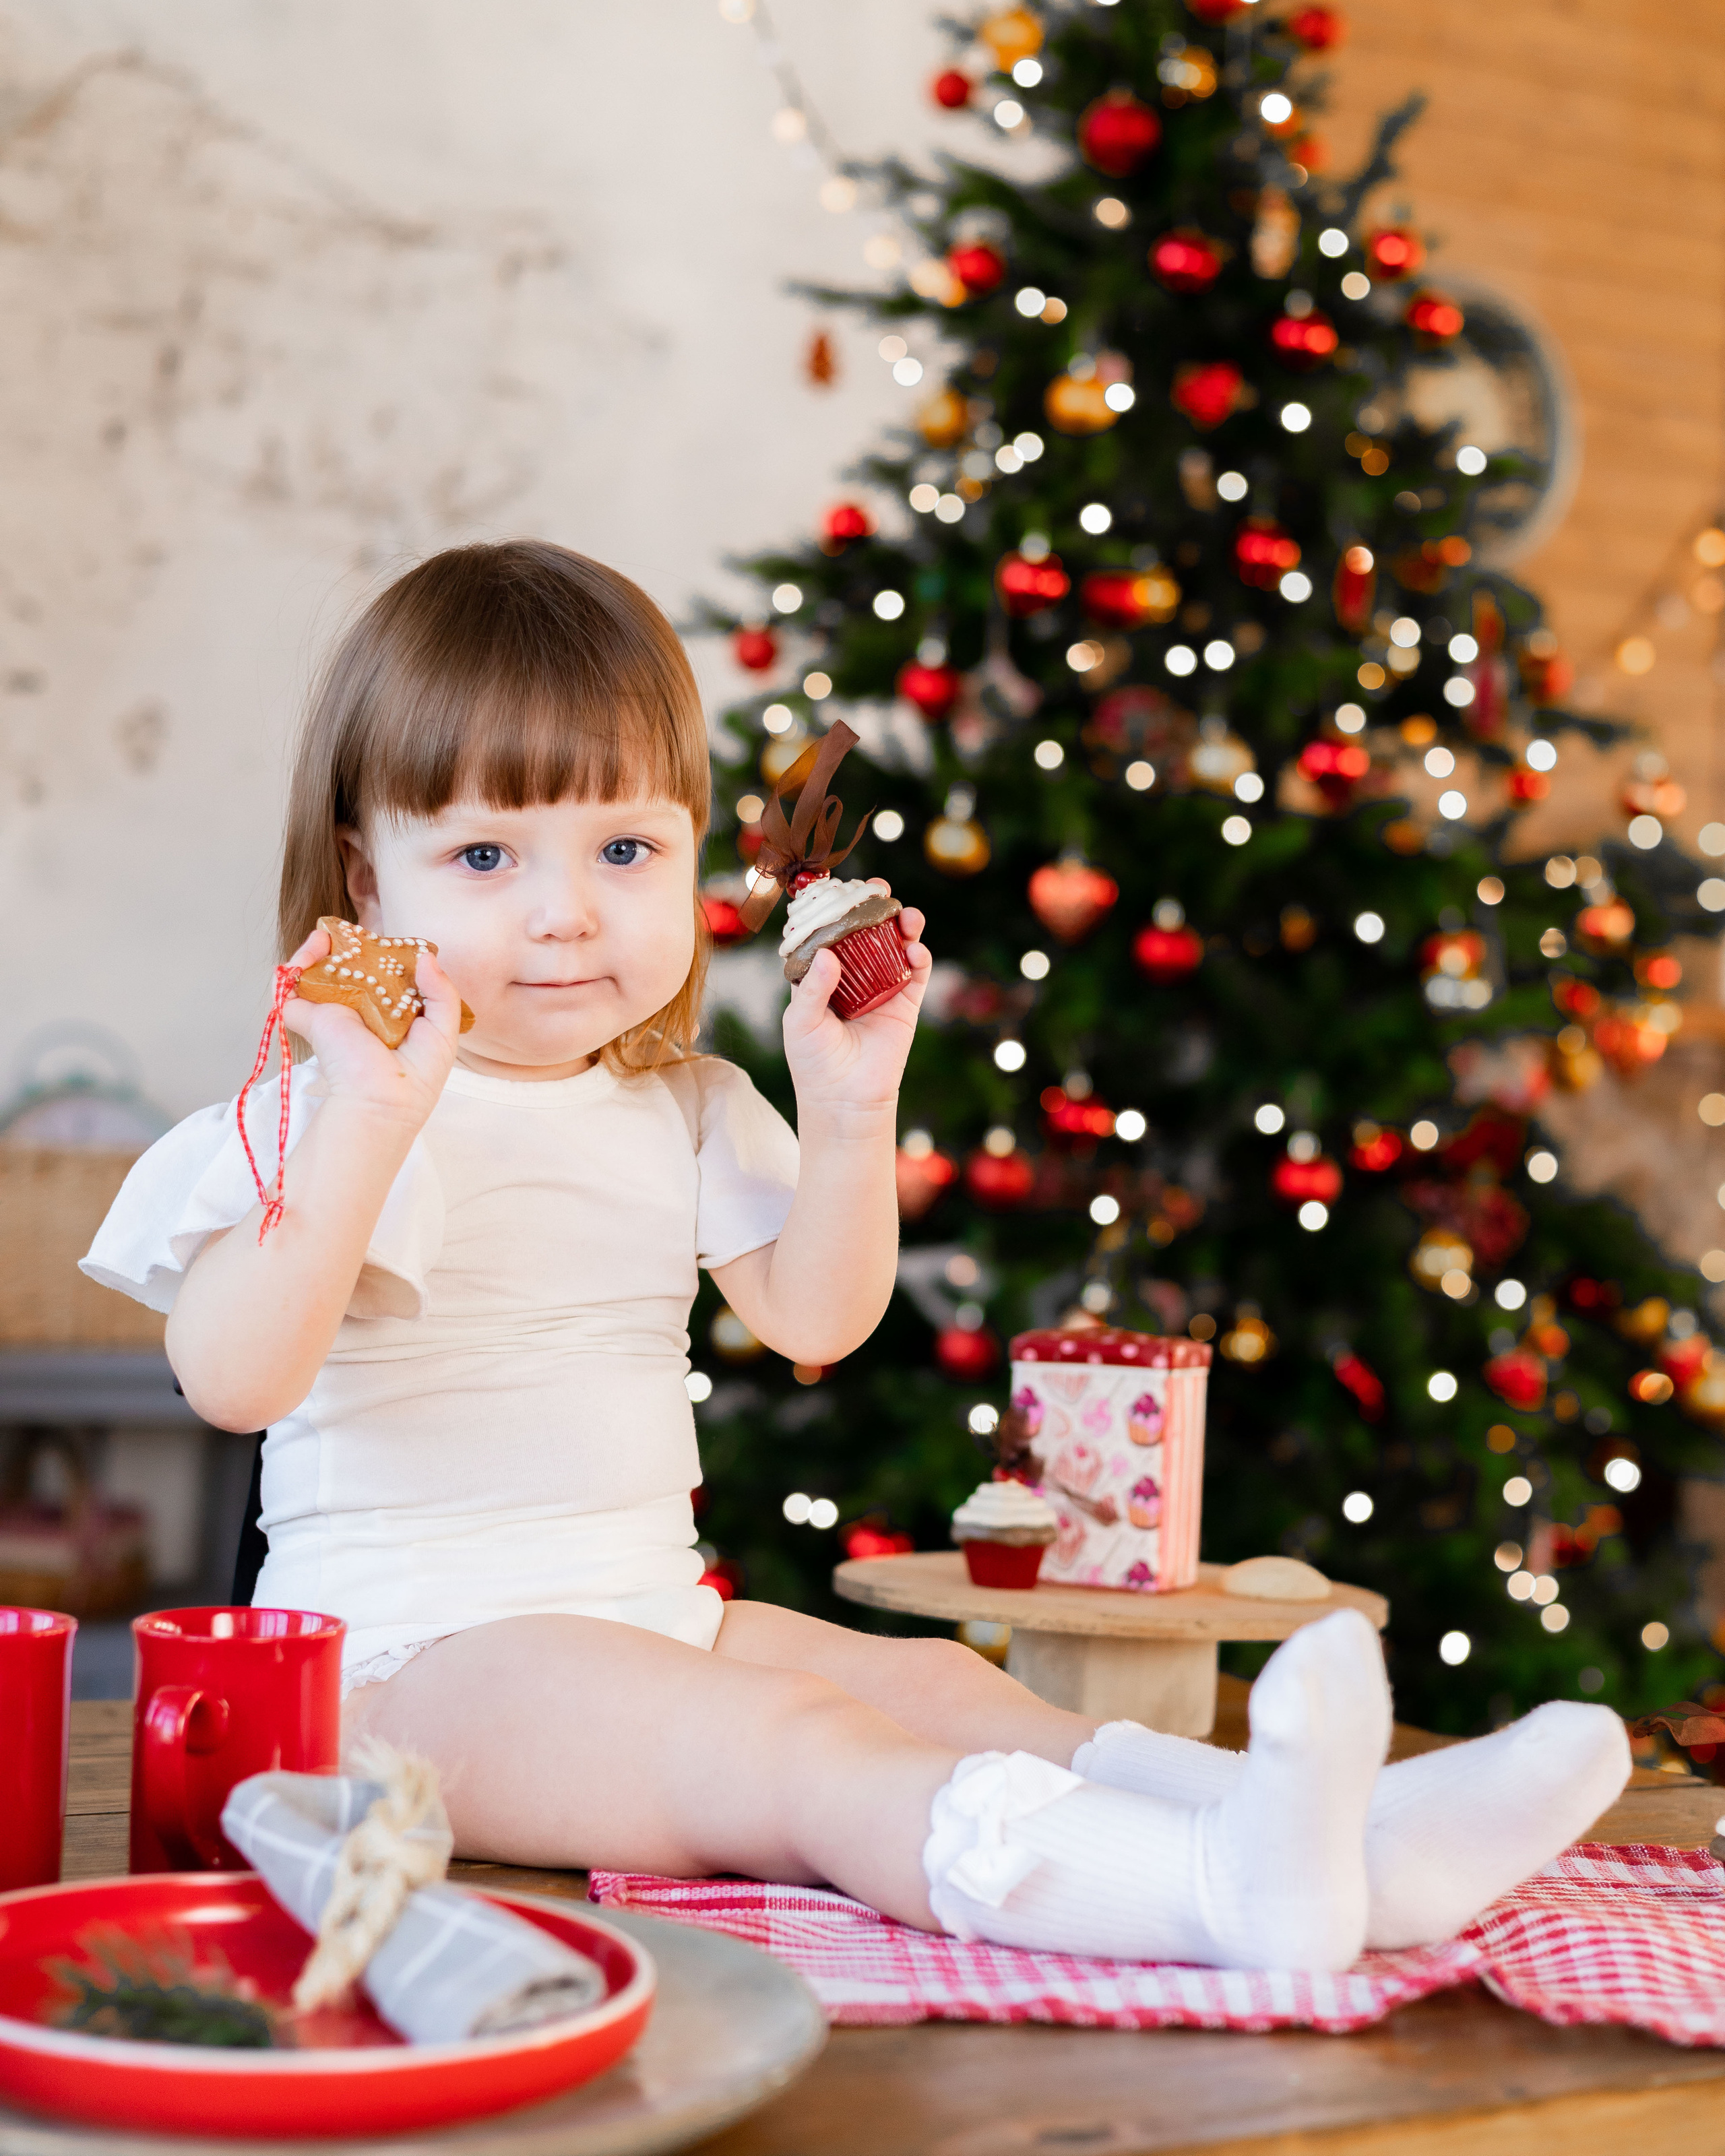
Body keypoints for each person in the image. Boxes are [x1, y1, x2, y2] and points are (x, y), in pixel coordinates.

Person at [84, 541, 1630, 1969]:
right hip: (403, 1674)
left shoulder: (677, 1102)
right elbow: (232, 1378)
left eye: (623, 849)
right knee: (792, 1748)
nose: (564, 916)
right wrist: (361, 1120)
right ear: (371, 882)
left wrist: (846, 1108)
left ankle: (1342, 1845)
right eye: (487, 859)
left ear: (697, 860)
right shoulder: (331, 1107)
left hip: (648, 1614)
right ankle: (1214, 1898)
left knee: (955, 1690)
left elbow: (818, 1315)